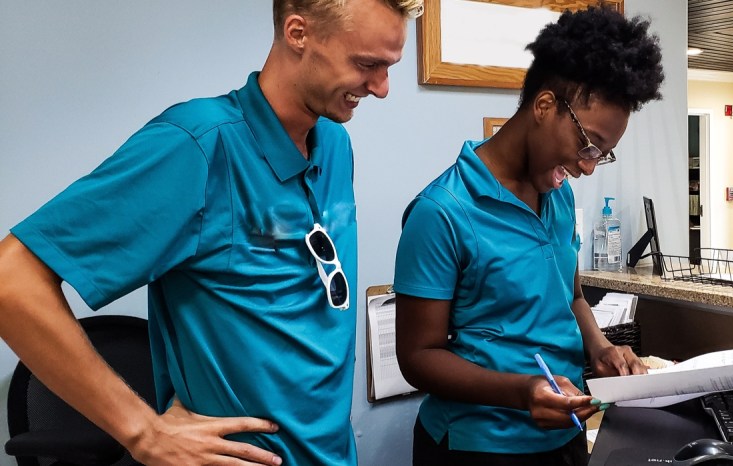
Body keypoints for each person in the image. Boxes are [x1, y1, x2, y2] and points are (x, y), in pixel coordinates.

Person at [0, 0, 422, 464]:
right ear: (298, 33)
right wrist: (143, 433)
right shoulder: (198, 145)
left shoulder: (335, 143)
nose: (381, 89)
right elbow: (11, 281)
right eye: (367, 64)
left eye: (389, 67)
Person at [393, 6, 664, 466]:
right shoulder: (442, 211)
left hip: (564, 438)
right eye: (589, 144)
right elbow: (417, 356)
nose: (589, 165)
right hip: (478, 447)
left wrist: (600, 348)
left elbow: (571, 295)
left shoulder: (555, 195)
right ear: (543, 107)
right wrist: (523, 391)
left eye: (604, 154)